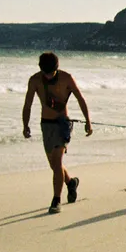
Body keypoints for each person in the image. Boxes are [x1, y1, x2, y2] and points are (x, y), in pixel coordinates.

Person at [23, 52, 93, 213]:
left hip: (62, 124)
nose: (48, 77)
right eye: (45, 73)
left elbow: (81, 99)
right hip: (46, 125)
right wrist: (25, 125)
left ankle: (56, 200)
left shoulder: (66, 78)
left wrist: (88, 121)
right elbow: (27, 104)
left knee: (57, 162)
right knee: (55, 165)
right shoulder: (35, 80)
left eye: (51, 73)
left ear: (57, 68)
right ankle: (70, 183)